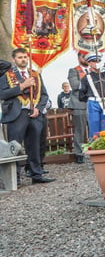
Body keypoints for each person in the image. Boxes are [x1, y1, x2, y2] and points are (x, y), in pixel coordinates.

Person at [0, 48, 54, 183]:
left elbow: (44, 95)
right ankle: (15, 177)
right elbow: (2, 94)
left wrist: (39, 108)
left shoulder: (35, 74)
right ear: (14, 59)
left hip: (34, 113)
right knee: (15, 145)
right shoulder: (6, 75)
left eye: (25, 57)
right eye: (19, 57)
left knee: (34, 145)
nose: (23, 59)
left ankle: (36, 174)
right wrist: (22, 86)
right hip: (17, 114)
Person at [79, 54, 105, 138]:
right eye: (94, 61)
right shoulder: (86, 78)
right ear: (89, 63)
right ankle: (95, 146)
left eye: (98, 61)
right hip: (93, 102)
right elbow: (81, 95)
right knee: (94, 126)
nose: (97, 63)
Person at [67, 52, 89, 164]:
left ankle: (97, 150)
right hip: (79, 104)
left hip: (93, 103)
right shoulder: (74, 70)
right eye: (83, 57)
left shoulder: (93, 70)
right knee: (80, 130)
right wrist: (89, 80)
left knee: (95, 129)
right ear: (79, 58)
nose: (86, 59)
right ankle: (79, 153)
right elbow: (75, 86)